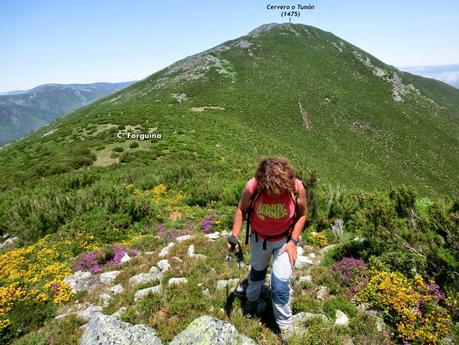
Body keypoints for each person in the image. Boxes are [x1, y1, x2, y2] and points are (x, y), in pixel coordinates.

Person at [229, 156, 308, 343]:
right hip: (259, 239)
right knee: (257, 273)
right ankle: (251, 303)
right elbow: (242, 209)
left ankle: (286, 327)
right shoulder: (253, 186)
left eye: (278, 190)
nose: (274, 194)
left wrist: (293, 242)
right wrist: (235, 235)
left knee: (280, 285)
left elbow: (303, 215)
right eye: (271, 190)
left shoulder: (296, 187)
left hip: (284, 241)